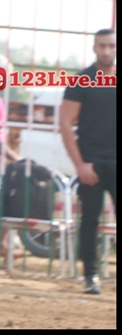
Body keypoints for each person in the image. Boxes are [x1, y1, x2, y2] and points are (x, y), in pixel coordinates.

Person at [60, 28, 116, 295]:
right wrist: (80, 165)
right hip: (91, 164)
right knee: (89, 221)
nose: (106, 51)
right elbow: (65, 123)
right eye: (102, 45)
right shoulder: (82, 80)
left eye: (111, 46)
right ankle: (90, 276)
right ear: (94, 48)